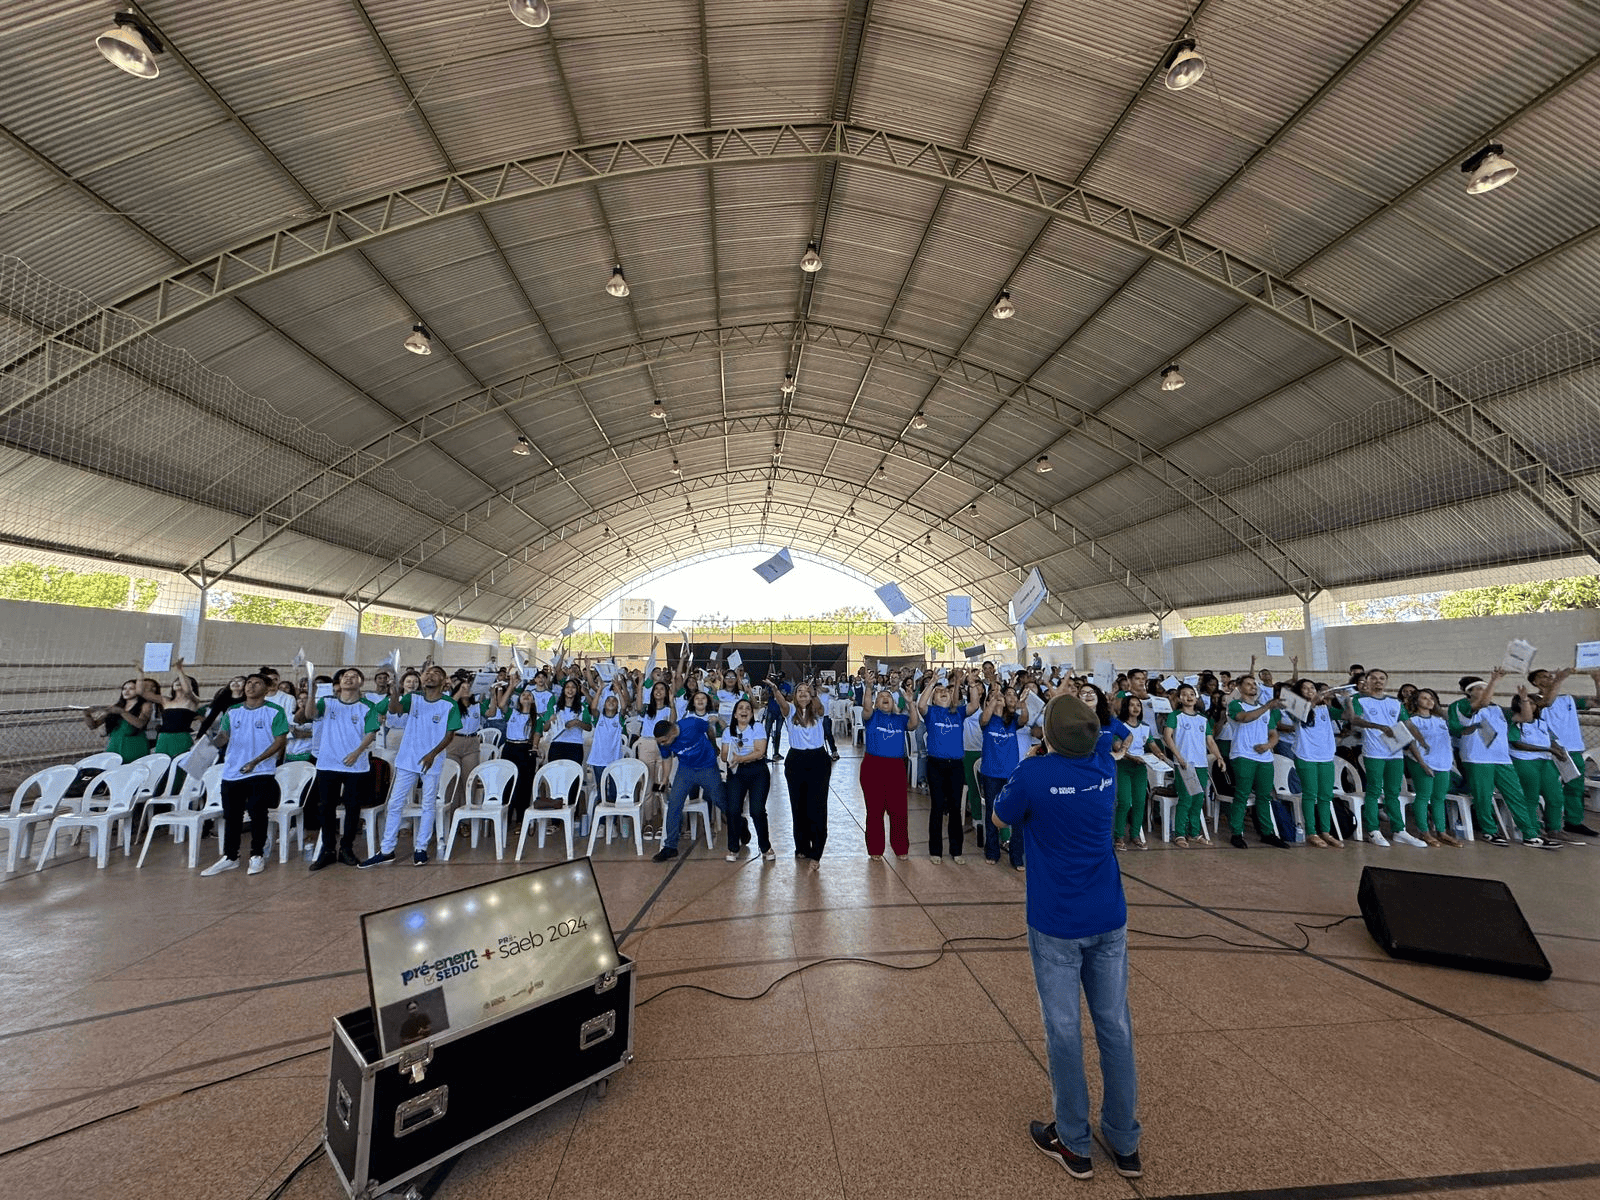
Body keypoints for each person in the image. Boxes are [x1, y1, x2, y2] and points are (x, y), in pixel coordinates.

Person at [994, 694, 1142, 1182]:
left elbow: (1000, 817)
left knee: (1063, 1030)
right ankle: (1124, 1141)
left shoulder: (1033, 776)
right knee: (1115, 1027)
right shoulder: (1104, 762)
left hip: (1056, 920)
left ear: (1048, 737)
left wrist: (1037, 758)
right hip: (1108, 915)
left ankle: (1074, 1143)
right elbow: (1117, 731)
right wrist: (1098, 717)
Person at [361, 665, 460, 868]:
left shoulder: (449, 704)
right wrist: (395, 690)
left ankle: (421, 848)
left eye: (436, 674)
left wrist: (433, 753)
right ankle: (387, 849)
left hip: (431, 760)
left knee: (428, 804)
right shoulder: (413, 698)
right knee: (395, 803)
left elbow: (450, 734)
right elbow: (394, 709)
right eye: (428, 673)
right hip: (407, 758)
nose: (430, 676)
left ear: (444, 681)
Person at [201, 674, 289, 877]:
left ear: (267, 689)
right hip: (233, 771)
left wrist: (256, 761)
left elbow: (279, 741)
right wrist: (215, 740)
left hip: (261, 771)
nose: (250, 686)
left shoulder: (275, 711)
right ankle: (230, 857)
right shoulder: (233, 711)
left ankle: (257, 855)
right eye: (249, 683)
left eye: (257, 683)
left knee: (258, 812)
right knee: (232, 815)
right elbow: (224, 736)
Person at [302, 667, 380, 870]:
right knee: (326, 807)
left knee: (352, 807)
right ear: (340, 682)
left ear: (361, 683)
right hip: (328, 763)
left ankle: (346, 848)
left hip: (356, 765)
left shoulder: (367, 706)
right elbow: (310, 714)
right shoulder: (327, 702)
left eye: (354, 677)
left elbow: (371, 733)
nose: (349, 679)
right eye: (345, 676)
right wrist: (312, 692)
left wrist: (357, 752)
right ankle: (327, 849)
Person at [651, 691, 724, 863]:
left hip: (707, 767)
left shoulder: (691, 724)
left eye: (663, 741)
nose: (661, 744)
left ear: (672, 734)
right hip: (686, 770)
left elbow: (710, 729)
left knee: (721, 800)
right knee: (674, 804)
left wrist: (713, 746)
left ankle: (740, 824)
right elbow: (666, 759)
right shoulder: (663, 741)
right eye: (660, 742)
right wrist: (664, 779)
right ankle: (670, 847)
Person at [1527, 666, 1600, 838]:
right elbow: (1546, 703)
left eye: (1550, 675)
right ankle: (1548, 823)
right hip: (1550, 750)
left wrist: (1597, 680)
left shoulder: (1568, 698)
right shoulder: (1532, 700)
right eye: (1544, 676)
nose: (1550, 677)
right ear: (1535, 682)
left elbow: (1597, 702)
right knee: (1551, 789)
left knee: (1575, 787)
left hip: (1573, 748)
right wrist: (1559, 679)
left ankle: (1573, 821)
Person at [860, 684, 921, 861]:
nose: (885, 698)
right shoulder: (871, 717)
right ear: (876, 703)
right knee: (875, 810)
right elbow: (865, 707)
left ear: (893, 702)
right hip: (873, 766)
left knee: (898, 810)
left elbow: (914, 724)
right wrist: (869, 688)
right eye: (881, 697)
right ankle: (875, 849)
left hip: (895, 767)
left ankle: (901, 847)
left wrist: (911, 704)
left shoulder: (900, 719)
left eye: (888, 696)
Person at [1225, 676, 1288, 848]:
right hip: (1243, 755)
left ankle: (1266, 832)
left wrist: (1268, 745)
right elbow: (1244, 718)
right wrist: (1268, 705)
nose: (1253, 686)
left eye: (1255, 684)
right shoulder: (1235, 704)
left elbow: (1274, 733)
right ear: (1239, 687)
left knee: (1264, 796)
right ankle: (1236, 833)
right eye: (1248, 684)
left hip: (1265, 757)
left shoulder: (1266, 710)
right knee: (1242, 795)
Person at [920, 671, 975, 863]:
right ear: (934, 699)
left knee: (955, 807)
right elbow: (920, 705)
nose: (943, 692)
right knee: (937, 807)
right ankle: (935, 850)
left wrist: (971, 683)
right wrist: (932, 683)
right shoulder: (931, 713)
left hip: (956, 766)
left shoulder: (957, 712)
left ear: (952, 697)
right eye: (939, 691)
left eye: (946, 691)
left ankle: (956, 850)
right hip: (936, 764)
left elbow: (975, 705)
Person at [776, 680, 831, 869]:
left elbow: (820, 707)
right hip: (796, 760)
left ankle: (817, 851)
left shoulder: (818, 711)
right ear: (794, 695)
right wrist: (775, 690)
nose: (803, 693)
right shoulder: (790, 711)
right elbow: (782, 704)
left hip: (818, 760)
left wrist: (813, 692)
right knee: (798, 805)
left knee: (817, 806)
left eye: (806, 691)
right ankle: (801, 846)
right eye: (799, 691)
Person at [1161, 684, 1222, 847]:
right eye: (1185, 694)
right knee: (1186, 799)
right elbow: (1168, 737)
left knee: (1198, 800)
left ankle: (1194, 833)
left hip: (1201, 765)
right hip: (1184, 764)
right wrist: (1179, 757)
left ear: (1196, 697)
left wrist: (1219, 757)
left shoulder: (1203, 719)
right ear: (1180, 698)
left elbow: (1210, 741)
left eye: (1192, 694)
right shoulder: (1175, 716)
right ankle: (1179, 834)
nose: (1189, 697)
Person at [1284, 678, 1340, 847]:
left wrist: (1346, 699)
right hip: (1306, 755)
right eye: (1305, 688)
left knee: (1325, 795)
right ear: (1298, 693)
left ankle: (1325, 831)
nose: (1310, 691)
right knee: (1310, 794)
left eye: (1312, 688)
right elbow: (1302, 717)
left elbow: (1348, 716)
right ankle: (1311, 832)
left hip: (1326, 756)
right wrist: (1315, 700)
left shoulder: (1325, 708)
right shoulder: (1293, 705)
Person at [978, 686, 1025, 870]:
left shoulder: (1012, 720)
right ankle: (992, 851)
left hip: (1012, 774)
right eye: (996, 697)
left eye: (1003, 697)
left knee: (1018, 814)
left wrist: (1024, 704)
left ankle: (1017, 855)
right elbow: (984, 718)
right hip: (991, 773)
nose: (1000, 699)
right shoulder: (988, 720)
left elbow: (1025, 719)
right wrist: (994, 698)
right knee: (992, 812)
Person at [719, 697, 771, 860]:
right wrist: (733, 757)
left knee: (757, 811)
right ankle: (733, 848)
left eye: (747, 708)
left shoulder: (758, 728)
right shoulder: (728, 731)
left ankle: (766, 847)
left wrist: (740, 758)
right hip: (736, 772)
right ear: (735, 714)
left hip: (757, 771)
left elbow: (760, 751)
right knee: (733, 810)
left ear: (751, 713)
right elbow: (724, 755)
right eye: (740, 708)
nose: (744, 711)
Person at [84, 678, 155, 763]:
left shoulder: (146, 705)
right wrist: (87, 714)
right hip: (114, 745)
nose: (126, 691)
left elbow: (140, 724)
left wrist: (122, 712)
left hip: (134, 746)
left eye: (131, 689)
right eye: (124, 689)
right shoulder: (116, 706)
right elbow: (93, 726)